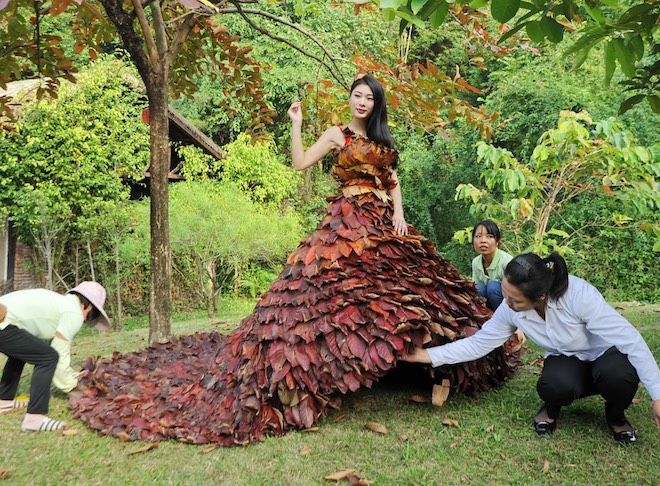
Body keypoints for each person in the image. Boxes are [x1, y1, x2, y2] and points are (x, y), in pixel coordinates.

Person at [69, 75, 521, 446]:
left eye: (369, 97)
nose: (362, 102)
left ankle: (435, 363)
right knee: (330, 292)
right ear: (349, 99)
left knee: (404, 290)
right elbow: (301, 162)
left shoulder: (382, 139)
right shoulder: (336, 134)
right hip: (347, 221)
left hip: (385, 221)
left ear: (377, 103)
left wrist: (399, 213)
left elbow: (393, 181)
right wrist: (296, 123)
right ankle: (336, 364)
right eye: (357, 95)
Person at [402, 252, 660, 445]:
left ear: (541, 296)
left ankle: (616, 417)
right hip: (567, 359)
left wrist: (658, 396)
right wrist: (424, 355)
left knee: (619, 377)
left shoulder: (579, 296)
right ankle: (552, 407)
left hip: (606, 356)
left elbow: (631, 340)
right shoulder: (510, 308)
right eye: (505, 294)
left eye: (514, 299)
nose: (507, 303)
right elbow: (480, 343)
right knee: (553, 384)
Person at [0, 282, 110, 432]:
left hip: (5, 319)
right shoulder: (74, 312)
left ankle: (4, 401)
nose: (85, 320)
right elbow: (59, 353)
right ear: (89, 306)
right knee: (48, 357)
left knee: (23, 352)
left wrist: (72, 373)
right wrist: (72, 386)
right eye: (91, 316)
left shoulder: (61, 303)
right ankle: (34, 419)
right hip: (3, 320)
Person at [471, 219, 513, 311]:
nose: (483, 241)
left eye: (489, 236)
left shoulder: (507, 261)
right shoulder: (476, 262)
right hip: (489, 306)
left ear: (497, 241)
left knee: (493, 287)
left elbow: (515, 292)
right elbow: (477, 289)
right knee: (477, 289)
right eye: (478, 236)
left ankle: (504, 320)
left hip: (509, 305)